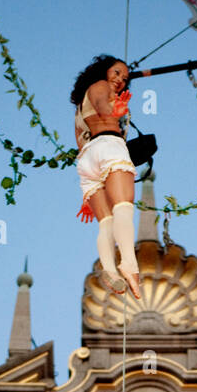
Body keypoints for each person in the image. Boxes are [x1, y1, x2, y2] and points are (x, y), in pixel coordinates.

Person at [71, 54, 140, 299]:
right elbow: (103, 107)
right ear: (104, 71)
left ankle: (110, 270)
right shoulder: (101, 87)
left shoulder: (79, 108)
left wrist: (88, 194)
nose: (120, 79)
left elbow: (80, 143)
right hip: (109, 146)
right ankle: (129, 263)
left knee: (106, 222)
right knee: (123, 207)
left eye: (125, 77)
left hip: (88, 160)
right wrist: (115, 110)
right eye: (117, 72)